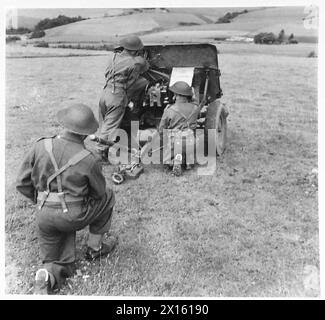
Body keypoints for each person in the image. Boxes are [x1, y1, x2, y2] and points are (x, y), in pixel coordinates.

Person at [16, 103, 118, 294]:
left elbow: (22, 183)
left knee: (53, 259)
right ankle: (95, 247)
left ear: (64, 125)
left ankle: (47, 276)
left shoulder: (41, 145)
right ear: (86, 133)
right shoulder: (89, 158)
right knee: (108, 196)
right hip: (73, 215)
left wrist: (42, 202)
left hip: (44, 214)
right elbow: (98, 193)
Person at [97, 35, 150, 161]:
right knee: (109, 128)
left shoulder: (113, 57)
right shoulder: (134, 63)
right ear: (135, 50)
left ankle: (121, 145)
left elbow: (107, 73)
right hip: (117, 96)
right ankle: (100, 154)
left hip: (105, 93)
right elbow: (131, 83)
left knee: (107, 123)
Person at [140, 81, 200, 176]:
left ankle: (176, 161)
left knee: (172, 147)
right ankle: (187, 161)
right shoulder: (195, 108)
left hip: (176, 142)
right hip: (191, 140)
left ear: (177, 95)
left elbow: (161, 130)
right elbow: (195, 103)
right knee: (186, 142)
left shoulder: (170, 110)